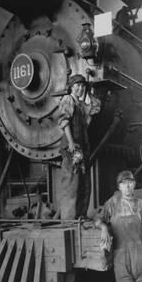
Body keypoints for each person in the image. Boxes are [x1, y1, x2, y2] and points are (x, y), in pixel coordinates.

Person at [57, 74, 100, 219]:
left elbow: (95, 108)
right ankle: (69, 219)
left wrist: (90, 92)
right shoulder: (68, 100)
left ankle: (81, 216)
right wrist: (70, 142)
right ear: (71, 87)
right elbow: (64, 121)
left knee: (84, 184)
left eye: (82, 86)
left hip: (83, 148)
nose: (80, 89)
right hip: (72, 148)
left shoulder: (81, 105)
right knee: (71, 184)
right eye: (77, 86)